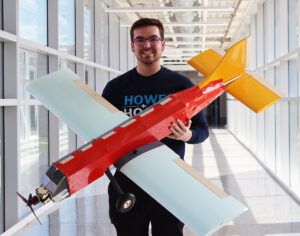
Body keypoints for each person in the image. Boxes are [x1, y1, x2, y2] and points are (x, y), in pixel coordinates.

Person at [102, 18, 209, 236]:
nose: (147, 45)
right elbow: (102, 134)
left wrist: (187, 135)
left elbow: (202, 131)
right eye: (140, 40)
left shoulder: (181, 85)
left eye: (153, 39)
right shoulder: (115, 88)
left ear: (163, 44)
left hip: (170, 180)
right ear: (132, 46)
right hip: (127, 180)